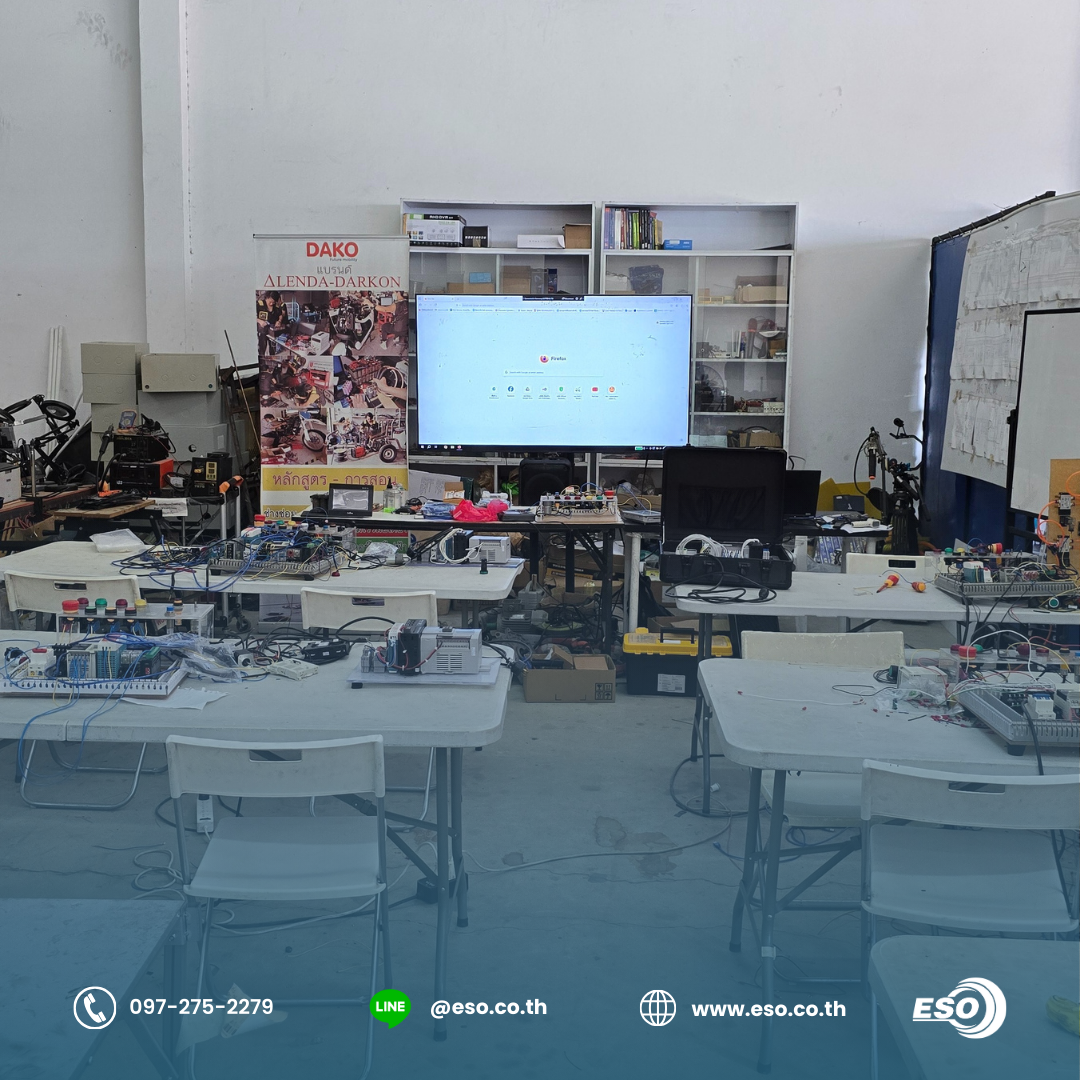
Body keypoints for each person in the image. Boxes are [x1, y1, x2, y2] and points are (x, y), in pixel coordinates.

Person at [257, 291, 290, 357]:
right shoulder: (259, 304)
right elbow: (251, 315)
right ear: (267, 297)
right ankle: (262, 362)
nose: (272, 303)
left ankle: (272, 361)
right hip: (262, 330)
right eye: (270, 301)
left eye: (274, 302)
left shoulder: (276, 306)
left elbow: (280, 315)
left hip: (272, 331)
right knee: (262, 348)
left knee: (273, 349)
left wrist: (279, 321)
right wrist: (260, 321)